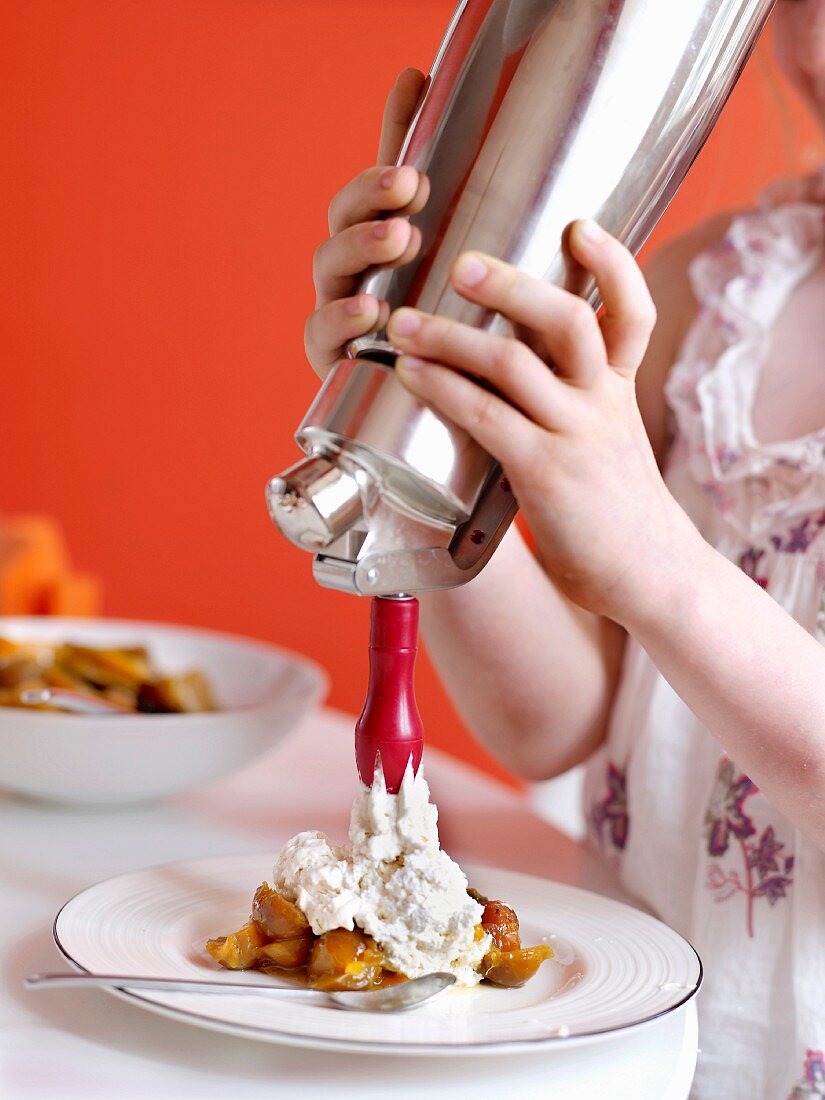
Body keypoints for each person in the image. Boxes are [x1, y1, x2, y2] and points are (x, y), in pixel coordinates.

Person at [304, 5, 825, 1096]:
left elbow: (659, 588)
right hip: (650, 1050)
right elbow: (560, 721)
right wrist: (422, 429)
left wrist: (664, 572)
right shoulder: (719, 294)